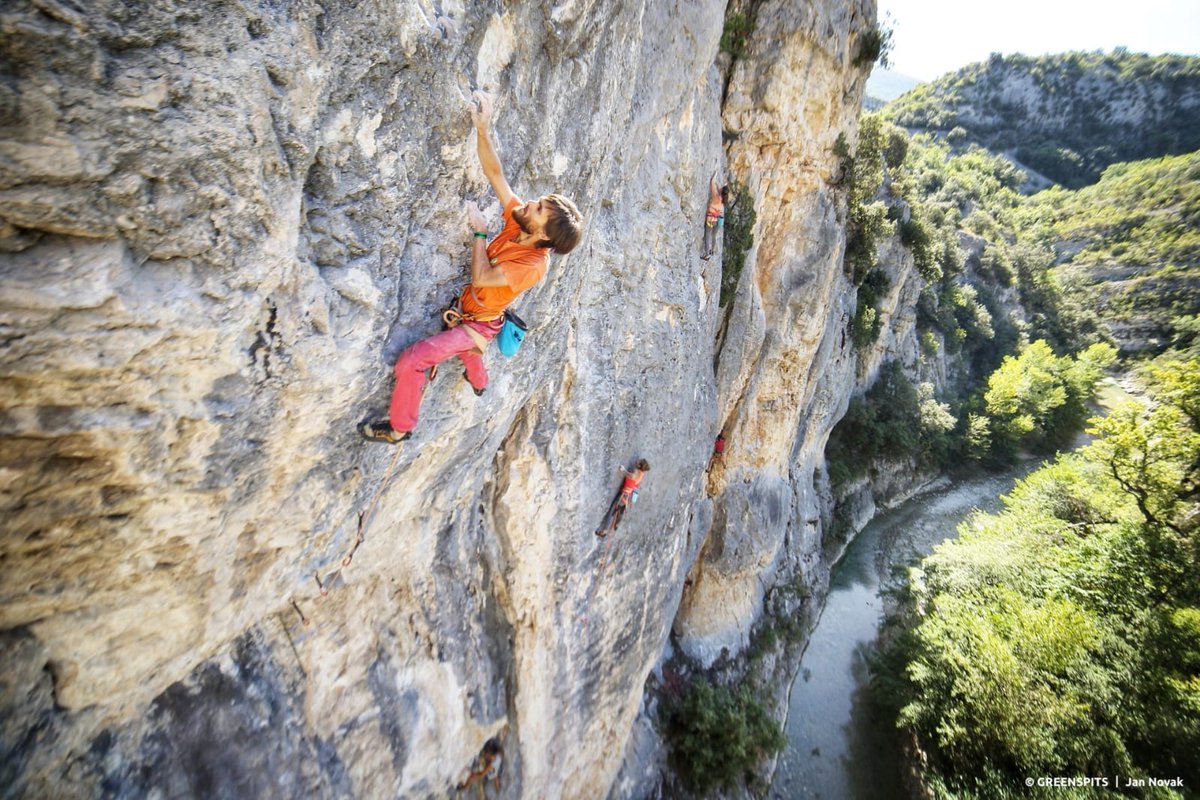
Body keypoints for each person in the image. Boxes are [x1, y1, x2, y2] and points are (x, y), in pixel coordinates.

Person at [360, 91, 584, 444]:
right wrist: (483, 129)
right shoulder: (522, 224)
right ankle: (479, 384)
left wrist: (480, 231)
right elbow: (496, 175)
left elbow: (481, 276)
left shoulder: (533, 265)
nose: (531, 203)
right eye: (539, 202)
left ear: (544, 234)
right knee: (470, 353)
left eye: (539, 208)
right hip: (476, 313)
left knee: (414, 360)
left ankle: (400, 428)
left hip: (478, 321)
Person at [596, 458, 651, 537]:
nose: (637, 460)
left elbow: (629, 475)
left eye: (638, 461)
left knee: (611, 512)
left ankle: (604, 531)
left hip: (623, 496)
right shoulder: (642, 474)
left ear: (639, 465)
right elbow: (636, 485)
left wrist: (623, 470)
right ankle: (616, 524)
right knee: (619, 511)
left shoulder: (635, 473)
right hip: (627, 496)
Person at [701, 172, 727, 261]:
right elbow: (720, 189)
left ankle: (707, 253)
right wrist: (719, 185)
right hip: (715, 219)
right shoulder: (723, 200)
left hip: (710, 218)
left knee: (708, 234)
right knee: (713, 235)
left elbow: (712, 183)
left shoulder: (716, 197)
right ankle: (711, 250)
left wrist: (714, 178)